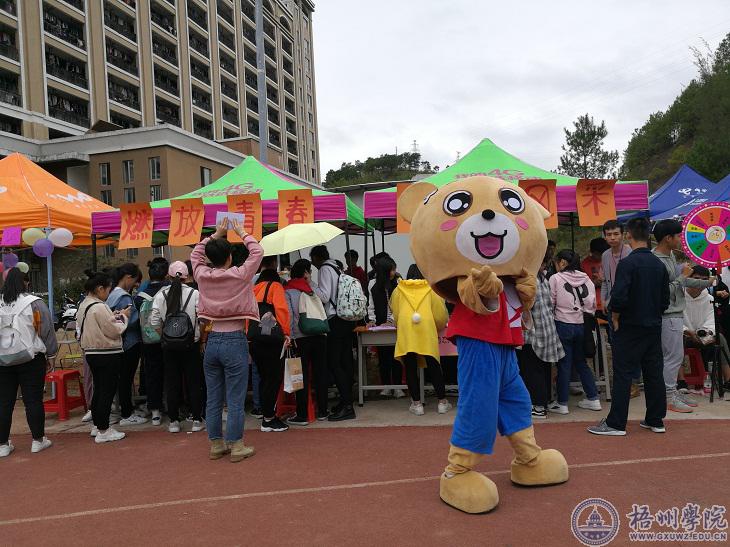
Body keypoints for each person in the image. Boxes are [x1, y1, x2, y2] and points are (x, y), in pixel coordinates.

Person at [589, 218, 669, 436]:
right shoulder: (658, 265)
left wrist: (615, 316)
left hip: (629, 325)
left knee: (623, 372)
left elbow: (619, 296)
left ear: (628, 236)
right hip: (653, 324)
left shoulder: (628, 264)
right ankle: (655, 419)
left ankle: (616, 423)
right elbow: (665, 300)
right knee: (653, 373)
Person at [192, 218, 263, 461]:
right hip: (234, 340)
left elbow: (195, 255)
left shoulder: (202, 275)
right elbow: (257, 251)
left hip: (211, 340)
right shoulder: (240, 275)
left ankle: (216, 444)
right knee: (235, 398)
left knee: (213, 397)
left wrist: (216, 234)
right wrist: (240, 231)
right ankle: (236, 445)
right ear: (230, 257)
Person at [652, 219, 714, 413]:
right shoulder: (657, 261)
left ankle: (671, 393)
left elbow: (683, 282)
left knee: (674, 357)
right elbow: (665, 291)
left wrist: (707, 282)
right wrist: (683, 275)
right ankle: (668, 397)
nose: (680, 239)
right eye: (678, 236)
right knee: (673, 358)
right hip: (668, 315)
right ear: (668, 238)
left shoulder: (669, 255)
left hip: (674, 315)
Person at [0, 269, 57, 457]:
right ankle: (38, 440)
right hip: (31, 358)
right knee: (33, 400)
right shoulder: (34, 303)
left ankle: (2, 444)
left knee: (4, 402)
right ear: (25, 282)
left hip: (3, 360)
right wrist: (51, 355)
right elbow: (46, 330)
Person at [390, 264, 451, 415]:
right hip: (426, 329)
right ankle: (442, 402)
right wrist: (439, 325)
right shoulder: (432, 289)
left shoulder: (398, 289)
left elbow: (395, 313)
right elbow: (440, 315)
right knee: (434, 364)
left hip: (406, 329)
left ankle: (417, 405)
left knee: (410, 367)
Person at [77, 270, 131, 444]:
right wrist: (123, 317)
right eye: (108, 290)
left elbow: (100, 325)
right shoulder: (100, 307)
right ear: (100, 289)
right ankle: (104, 430)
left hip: (91, 353)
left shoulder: (84, 305)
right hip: (107, 353)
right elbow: (114, 330)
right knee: (106, 392)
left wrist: (115, 316)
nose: (108, 293)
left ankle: (98, 425)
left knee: (99, 390)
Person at [151, 261, 204, 434]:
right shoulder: (195, 294)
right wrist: (199, 336)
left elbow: (154, 322)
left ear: (168, 276)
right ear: (187, 277)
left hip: (169, 347)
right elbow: (203, 319)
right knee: (193, 382)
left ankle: (173, 421)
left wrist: (165, 337)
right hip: (191, 344)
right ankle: (196, 419)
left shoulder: (160, 295)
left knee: (172, 382)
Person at [548, 249, 601, 414]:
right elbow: (592, 304)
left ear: (563, 262)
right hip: (582, 324)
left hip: (563, 323)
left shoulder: (556, 278)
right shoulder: (586, 279)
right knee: (581, 362)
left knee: (564, 364)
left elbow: (551, 302)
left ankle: (562, 403)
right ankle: (593, 398)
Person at [310, 245, 356, 421]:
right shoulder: (336, 266)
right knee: (345, 362)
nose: (313, 264)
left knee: (335, 364)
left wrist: (310, 282)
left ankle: (348, 406)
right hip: (345, 319)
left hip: (335, 320)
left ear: (316, 258)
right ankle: (346, 401)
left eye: (313, 260)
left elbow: (324, 296)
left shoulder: (324, 269)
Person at [517, 253, 565, 419]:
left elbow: (524, 306)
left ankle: (538, 406)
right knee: (543, 368)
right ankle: (544, 401)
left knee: (531, 370)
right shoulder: (543, 278)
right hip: (547, 330)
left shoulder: (529, 281)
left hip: (533, 332)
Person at [284, 259, 329, 423]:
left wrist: (289, 335)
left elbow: (289, 315)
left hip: (300, 338)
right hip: (319, 335)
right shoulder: (312, 288)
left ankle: (302, 414)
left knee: (299, 375)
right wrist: (310, 281)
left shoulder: (288, 290)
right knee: (320, 373)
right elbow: (324, 299)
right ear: (307, 272)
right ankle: (323, 411)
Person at [250, 255, 291, 433]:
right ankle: (269, 418)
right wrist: (286, 334)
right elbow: (282, 311)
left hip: (254, 338)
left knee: (263, 377)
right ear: (274, 265)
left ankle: (265, 413)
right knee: (273, 378)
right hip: (272, 339)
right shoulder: (275, 286)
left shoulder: (253, 288)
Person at [600, 220, 640, 397]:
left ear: (623, 235)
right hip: (612, 305)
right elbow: (605, 281)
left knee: (632, 344)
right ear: (604, 236)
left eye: (616, 234)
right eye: (609, 234)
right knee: (616, 345)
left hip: (629, 306)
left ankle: (634, 382)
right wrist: (604, 300)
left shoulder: (631, 253)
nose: (612, 238)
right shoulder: (605, 255)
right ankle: (623, 381)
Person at [106, 263, 147, 426]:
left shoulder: (111, 294)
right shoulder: (124, 297)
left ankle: (122, 411)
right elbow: (130, 321)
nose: (136, 285)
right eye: (135, 281)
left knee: (121, 378)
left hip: (117, 342)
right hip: (129, 342)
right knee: (126, 378)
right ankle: (127, 413)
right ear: (128, 277)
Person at [683, 265, 730, 393]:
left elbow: (711, 321)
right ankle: (681, 381)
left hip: (702, 335)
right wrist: (687, 332)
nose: (700, 283)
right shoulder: (679, 296)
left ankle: (728, 379)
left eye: (704, 280)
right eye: (696, 278)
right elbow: (675, 320)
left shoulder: (709, 298)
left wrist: (705, 334)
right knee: (676, 339)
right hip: (684, 335)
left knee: (720, 338)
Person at [135, 258, 169, 426]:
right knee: (171, 373)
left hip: (148, 340)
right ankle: (172, 406)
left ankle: (155, 411)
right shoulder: (169, 292)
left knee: (152, 374)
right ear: (166, 274)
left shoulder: (139, 297)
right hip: (169, 338)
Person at [367, 256, 403, 398]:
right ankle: (386, 386)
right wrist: (372, 320)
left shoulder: (399, 283)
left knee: (397, 357)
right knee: (383, 357)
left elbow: (400, 305)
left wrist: (392, 320)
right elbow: (370, 305)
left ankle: (398, 387)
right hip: (380, 327)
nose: (394, 272)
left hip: (396, 326)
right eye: (391, 270)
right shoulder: (372, 284)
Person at [581, 237, 609, 312]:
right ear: (591, 252)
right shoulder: (584, 264)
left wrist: (604, 282)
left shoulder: (609, 261)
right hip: (591, 305)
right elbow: (580, 286)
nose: (600, 257)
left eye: (602, 254)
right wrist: (593, 284)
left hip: (607, 303)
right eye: (597, 254)